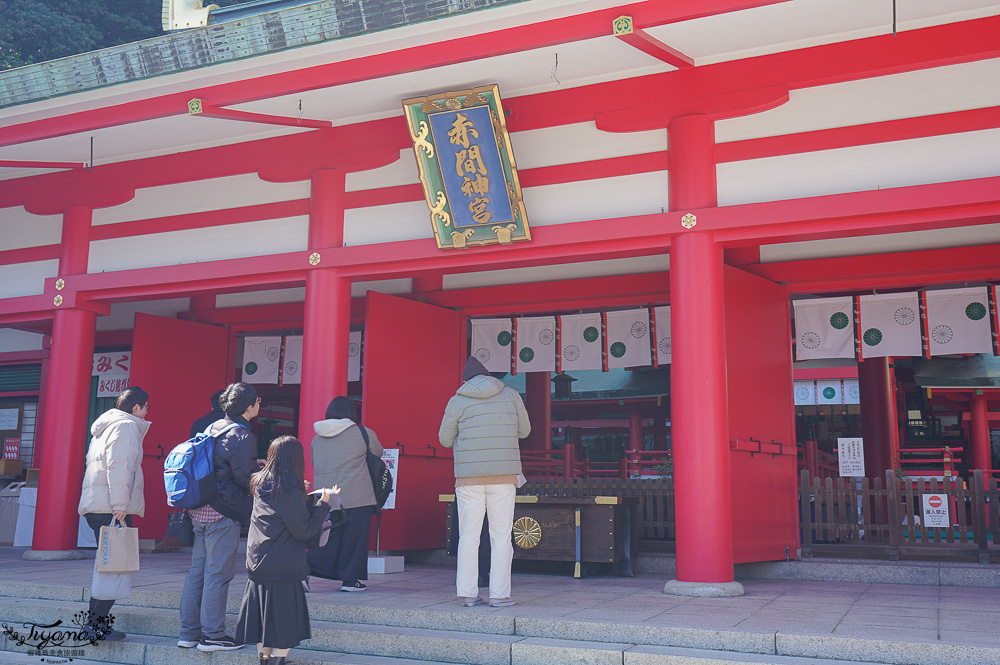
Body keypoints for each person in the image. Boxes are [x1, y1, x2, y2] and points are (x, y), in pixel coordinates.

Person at [236, 435, 340, 665]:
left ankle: (265, 661)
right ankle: (278, 661)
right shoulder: (289, 489)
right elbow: (303, 529)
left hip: (259, 563)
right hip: (283, 566)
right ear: (296, 460)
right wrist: (323, 504)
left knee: (265, 626)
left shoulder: (262, 482)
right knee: (284, 626)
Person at [439, 356, 530, 608]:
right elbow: (525, 432)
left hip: (468, 479)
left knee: (468, 535)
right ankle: (500, 595)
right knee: (501, 535)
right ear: (490, 376)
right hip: (503, 477)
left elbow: (445, 440)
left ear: (466, 381)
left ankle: (468, 593)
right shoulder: (511, 395)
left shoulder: (457, 400)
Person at [177, 382, 259, 652]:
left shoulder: (211, 427)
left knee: (196, 573)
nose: (259, 405)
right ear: (248, 407)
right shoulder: (242, 435)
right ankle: (213, 634)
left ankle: (189, 633)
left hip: (199, 509)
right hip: (222, 512)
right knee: (218, 574)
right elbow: (243, 477)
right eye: (257, 401)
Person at [78, 386, 150, 641]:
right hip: (112, 507)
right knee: (113, 567)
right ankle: (94, 625)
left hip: (98, 505)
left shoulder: (105, 426)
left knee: (109, 565)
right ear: (136, 407)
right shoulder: (126, 426)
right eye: (146, 406)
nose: (147, 411)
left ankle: (95, 624)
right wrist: (120, 506)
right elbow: (119, 467)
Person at [306, 396, 383, 591]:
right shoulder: (362, 433)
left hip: (326, 496)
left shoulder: (317, 438)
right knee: (354, 539)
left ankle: (304, 571)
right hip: (357, 493)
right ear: (352, 413)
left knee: (327, 538)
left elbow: (316, 463)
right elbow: (378, 452)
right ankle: (350, 581)